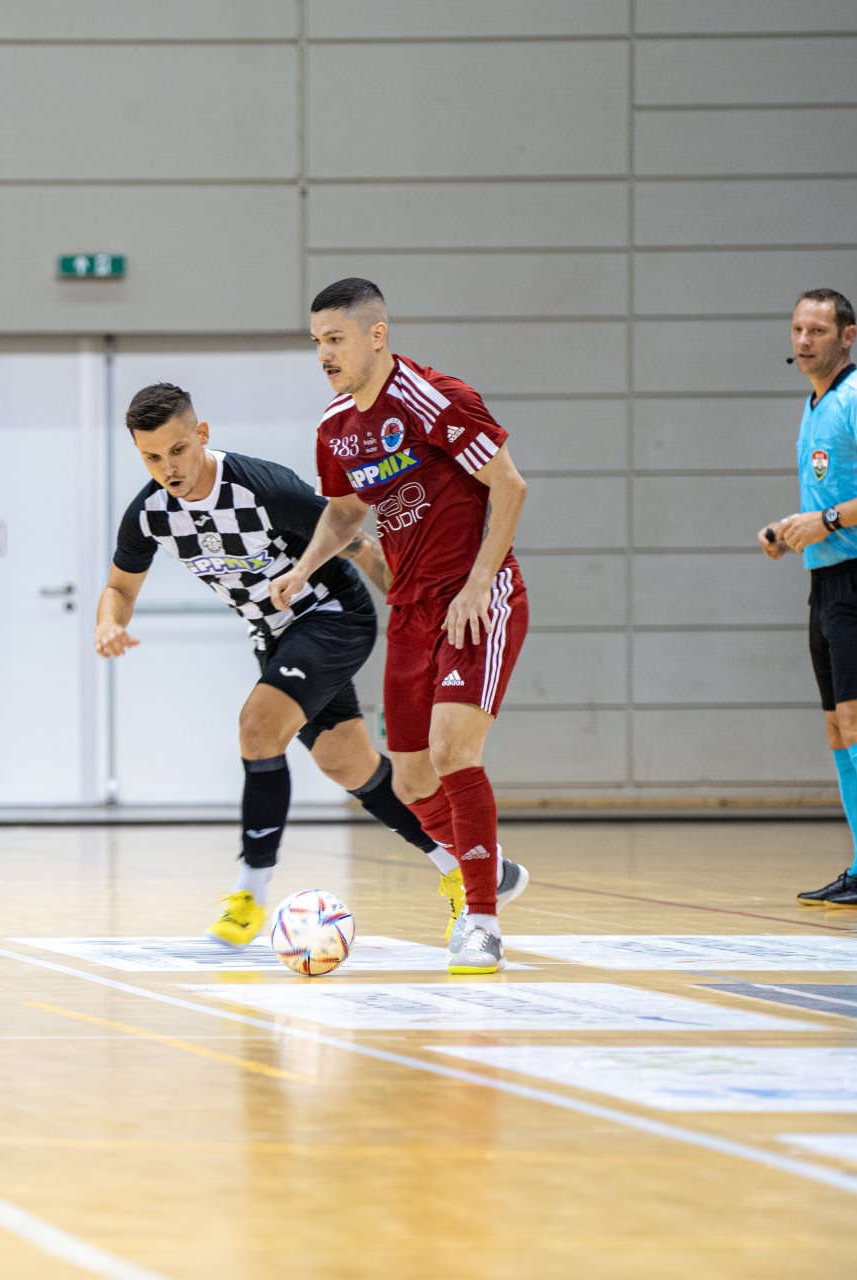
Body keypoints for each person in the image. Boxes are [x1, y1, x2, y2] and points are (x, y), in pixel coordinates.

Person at [95, 382, 511, 949]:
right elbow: (120, 586)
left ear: (202, 435)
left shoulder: (261, 487)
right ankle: (460, 869)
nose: (168, 467)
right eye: (151, 457)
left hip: (332, 615)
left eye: (177, 450)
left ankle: (250, 892)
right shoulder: (148, 515)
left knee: (257, 726)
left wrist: (413, 609)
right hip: (274, 635)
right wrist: (109, 621)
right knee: (348, 765)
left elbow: (353, 539)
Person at [273, 278, 532, 975]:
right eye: (317, 342)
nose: (324, 353)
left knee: (453, 751)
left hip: (475, 598)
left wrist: (481, 581)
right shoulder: (336, 426)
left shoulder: (434, 398)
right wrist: (304, 570)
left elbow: (509, 484)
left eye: (336, 339)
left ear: (376, 334)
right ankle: (489, 865)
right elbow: (346, 513)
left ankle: (480, 920)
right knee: (413, 785)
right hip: (412, 610)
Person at [758, 288, 857, 908]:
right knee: (837, 729)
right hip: (828, 583)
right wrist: (790, 533)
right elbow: (836, 502)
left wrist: (823, 521)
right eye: (797, 329)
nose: (804, 342)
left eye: (818, 331)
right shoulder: (816, 403)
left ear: (847, 336)